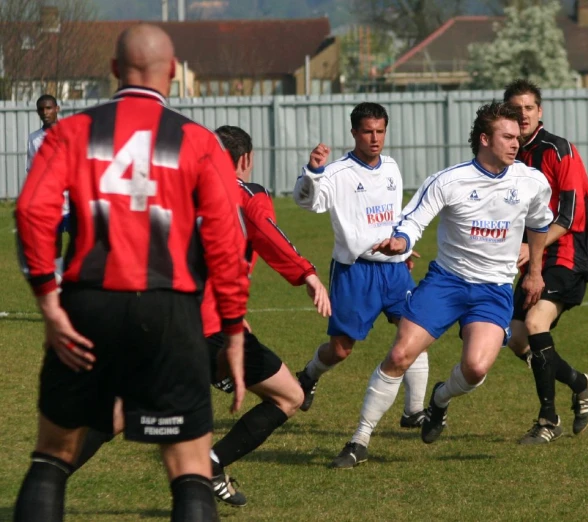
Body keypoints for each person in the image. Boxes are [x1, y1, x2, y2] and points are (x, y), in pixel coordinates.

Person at [13, 24, 250, 522]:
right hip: (170, 308)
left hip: (87, 305)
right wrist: (231, 329)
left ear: (115, 70)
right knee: (188, 469)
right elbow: (227, 241)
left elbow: (33, 211)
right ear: (171, 71)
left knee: (51, 457)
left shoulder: (72, 131)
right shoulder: (197, 140)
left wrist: (48, 299)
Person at [69, 125, 332, 509]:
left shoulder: (177, 189)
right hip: (207, 324)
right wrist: (306, 272)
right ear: (246, 160)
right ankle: (212, 462)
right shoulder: (246, 194)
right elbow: (266, 231)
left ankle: (52, 472)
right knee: (290, 396)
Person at [329, 101, 554, 469]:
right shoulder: (449, 180)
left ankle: (440, 400)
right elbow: (414, 219)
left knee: (476, 368)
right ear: (485, 139)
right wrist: (401, 241)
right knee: (400, 355)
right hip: (446, 283)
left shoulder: (531, 181)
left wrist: (535, 271)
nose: (517, 143)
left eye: (518, 137)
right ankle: (359, 439)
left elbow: (540, 223)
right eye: (508, 137)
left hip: (493, 289)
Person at [292, 102, 430, 429]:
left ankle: (414, 411)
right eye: (367, 131)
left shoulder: (392, 167)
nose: (374, 138)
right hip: (356, 272)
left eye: (380, 131)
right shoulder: (337, 172)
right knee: (340, 350)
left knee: (416, 333)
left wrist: (402, 247)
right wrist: (312, 171)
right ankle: (309, 375)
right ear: (354, 132)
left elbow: (394, 215)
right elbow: (306, 201)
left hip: (395, 270)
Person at [503, 79, 588, 445]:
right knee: (515, 337)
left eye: (529, 108)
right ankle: (581, 383)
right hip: (534, 256)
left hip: (566, 253)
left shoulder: (559, 151)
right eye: (515, 109)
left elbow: (570, 215)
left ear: (539, 111)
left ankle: (547, 420)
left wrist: (531, 248)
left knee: (533, 322)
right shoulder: (511, 156)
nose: (523, 115)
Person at [26, 95, 68, 283]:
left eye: (49, 108)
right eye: (42, 109)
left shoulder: (69, 133)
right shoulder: (34, 139)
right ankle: (58, 283)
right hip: (51, 202)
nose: (45, 113)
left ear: (57, 109)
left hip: (74, 199)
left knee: (82, 241)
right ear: (37, 112)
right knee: (55, 243)